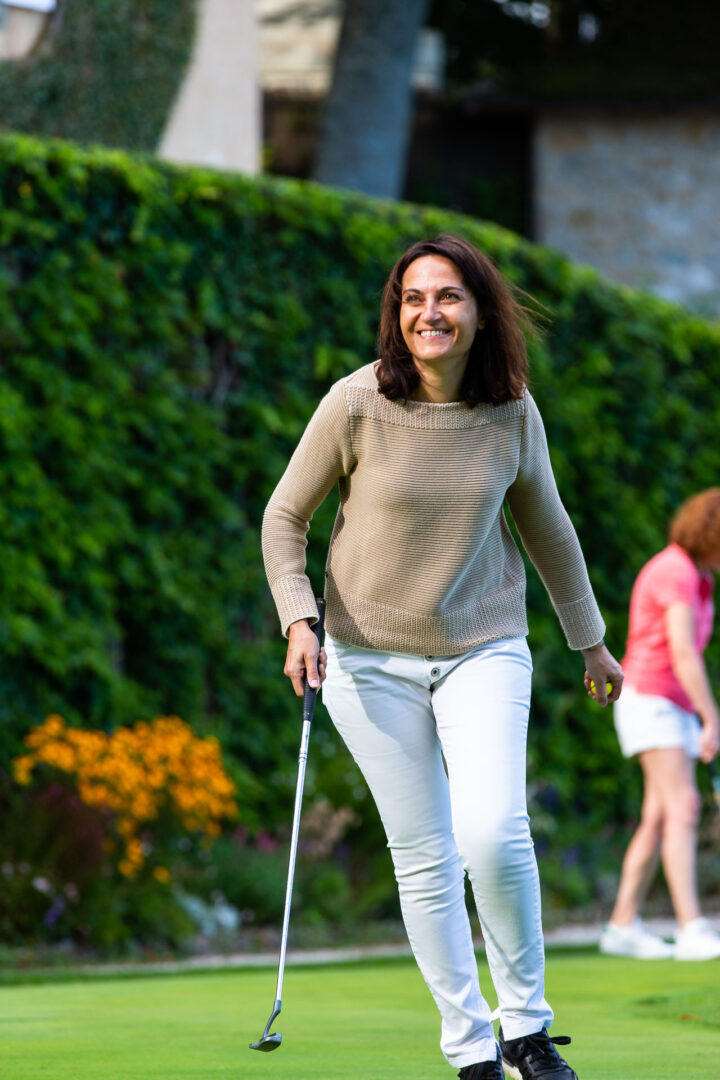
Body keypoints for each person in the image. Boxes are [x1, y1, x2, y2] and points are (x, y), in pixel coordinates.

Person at [262, 234, 623, 1080]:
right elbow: (285, 517)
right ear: (397, 314)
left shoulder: (513, 411)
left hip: (482, 645)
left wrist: (593, 643)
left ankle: (526, 1030)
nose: (430, 312)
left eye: (449, 296)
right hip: (365, 659)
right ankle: (471, 1051)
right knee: (424, 857)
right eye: (413, 298)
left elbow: (550, 530)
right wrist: (299, 620)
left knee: (494, 832)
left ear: (480, 311)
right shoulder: (355, 402)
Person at [599, 489, 720, 962]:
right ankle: (691, 927)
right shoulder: (677, 571)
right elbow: (683, 652)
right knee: (684, 806)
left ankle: (621, 925)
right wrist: (711, 717)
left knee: (657, 817)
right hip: (651, 700)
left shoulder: (700, 576)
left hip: (669, 704)